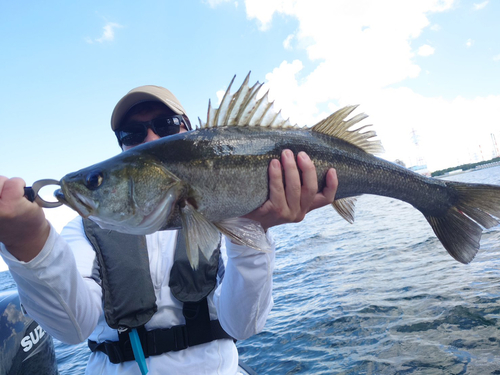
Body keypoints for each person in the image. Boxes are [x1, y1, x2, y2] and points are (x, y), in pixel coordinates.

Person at [0, 84, 338, 374]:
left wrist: (253, 231)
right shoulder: (85, 230)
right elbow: (71, 329)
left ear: (188, 130)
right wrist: (29, 245)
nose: (148, 137)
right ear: (122, 146)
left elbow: (244, 326)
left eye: (164, 124)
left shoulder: (228, 212)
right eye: (131, 134)